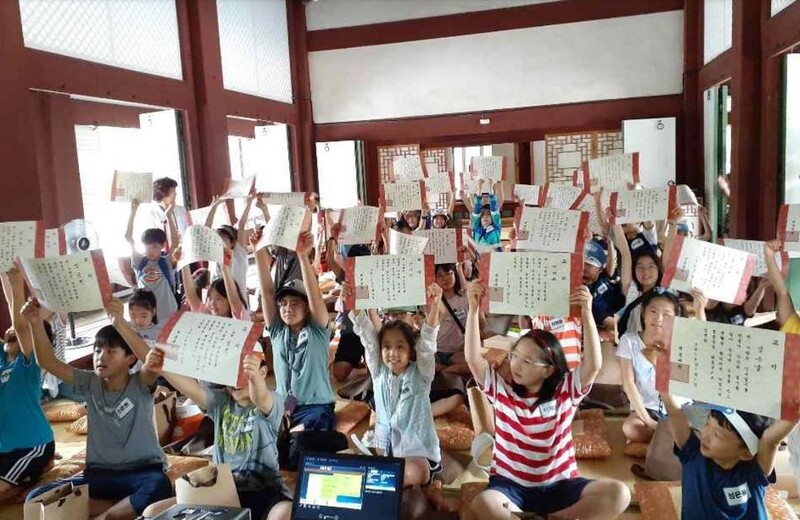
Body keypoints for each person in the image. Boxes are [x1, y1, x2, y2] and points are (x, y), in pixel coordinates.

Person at [464, 280, 630, 519]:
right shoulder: (502, 391)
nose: (516, 364)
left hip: (560, 486)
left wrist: (586, 314)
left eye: (527, 361)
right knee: (485, 504)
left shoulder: (565, 392)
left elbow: (593, 365)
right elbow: (472, 358)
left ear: (548, 370)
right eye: (515, 356)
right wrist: (472, 309)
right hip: (511, 487)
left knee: (619, 493)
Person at [24, 298, 171, 520]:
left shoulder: (140, 383)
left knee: (159, 486)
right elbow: (47, 362)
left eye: (111, 351)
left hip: (142, 472)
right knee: (36, 498)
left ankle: (107, 514)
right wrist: (35, 321)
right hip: (98, 476)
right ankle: (119, 509)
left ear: (130, 359)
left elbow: (150, 366)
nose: (100, 356)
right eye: (97, 350)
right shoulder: (90, 382)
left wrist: (120, 321)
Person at [139, 348, 292, 520]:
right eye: (230, 374)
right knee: (152, 512)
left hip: (265, 492)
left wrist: (254, 377)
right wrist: (162, 367)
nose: (235, 381)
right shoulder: (220, 401)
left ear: (263, 372)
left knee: (285, 512)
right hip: (219, 491)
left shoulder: (272, 401)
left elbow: (261, 396)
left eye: (243, 373)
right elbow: (192, 390)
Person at [346, 282, 452, 510]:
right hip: (386, 452)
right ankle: (427, 491)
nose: (392, 353)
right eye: (386, 346)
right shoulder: (378, 372)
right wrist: (353, 301)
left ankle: (430, 484)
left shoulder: (421, 375)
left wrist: (433, 308)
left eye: (400, 347)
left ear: (410, 350)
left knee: (400, 474)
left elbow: (427, 345)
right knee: (350, 463)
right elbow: (366, 335)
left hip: (419, 456)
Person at [659, 391, 797, 519]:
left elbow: (770, 441)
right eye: (707, 424)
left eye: (717, 435)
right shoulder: (692, 454)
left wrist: (795, 410)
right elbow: (674, 411)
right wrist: (661, 371)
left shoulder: (754, 472)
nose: (705, 436)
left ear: (746, 454)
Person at [256, 230, 336, 431]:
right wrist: (258, 251)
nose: (287, 308)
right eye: (283, 303)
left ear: (307, 306)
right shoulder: (277, 331)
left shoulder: (317, 330)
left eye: (295, 303)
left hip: (316, 407)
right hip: (284, 405)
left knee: (301, 440)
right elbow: (267, 293)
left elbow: (316, 297)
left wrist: (302, 256)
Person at [0, 270, 54, 504]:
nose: (12, 330)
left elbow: (21, 326)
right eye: (8, 330)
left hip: (31, 446)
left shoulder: (30, 364)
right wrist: (4, 271)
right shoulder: (3, 360)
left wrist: (16, 284)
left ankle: (35, 471)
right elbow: (16, 323)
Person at [617, 290, 693, 444]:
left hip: (679, 407)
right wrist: (649, 421)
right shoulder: (629, 340)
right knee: (630, 428)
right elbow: (629, 384)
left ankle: (660, 443)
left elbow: (682, 385)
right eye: (653, 311)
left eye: (666, 314)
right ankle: (667, 442)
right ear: (644, 313)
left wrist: (659, 364)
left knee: (695, 432)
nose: (658, 318)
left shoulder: (681, 344)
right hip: (648, 408)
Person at [126, 199, 179, 325]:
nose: (150, 251)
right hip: (145, 316)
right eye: (147, 246)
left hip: (168, 314)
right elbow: (128, 237)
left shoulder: (165, 262)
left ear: (162, 246)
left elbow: (175, 241)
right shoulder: (140, 262)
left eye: (154, 246)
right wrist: (133, 212)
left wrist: (169, 215)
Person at [583, 239, 625, 331]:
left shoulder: (605, 276)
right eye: (581, 263)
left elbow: (611, 262)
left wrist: (610, 242)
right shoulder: (585, 296)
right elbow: (613, 324)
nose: (583, 268)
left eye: (589, 264)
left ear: (600, 269)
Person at [146, 177, 189, 242]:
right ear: (163, 194)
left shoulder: (181, 210)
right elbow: (152, 240)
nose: (175, 194)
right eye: (173, 191)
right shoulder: (152, 214)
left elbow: (188, 231)